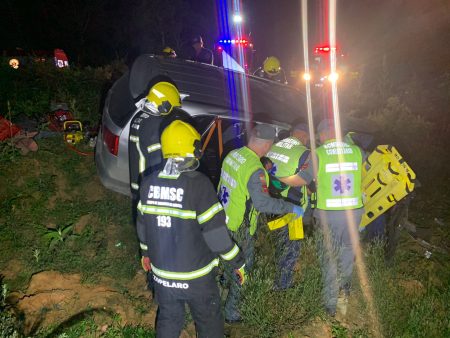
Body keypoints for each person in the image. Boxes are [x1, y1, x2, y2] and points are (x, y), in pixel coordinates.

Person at [137, 120, 246, 337]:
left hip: (163, 275)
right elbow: (216, 235)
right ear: (193, 149)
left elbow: (142, 225)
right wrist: (238, 261)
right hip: (197, 277)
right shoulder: (199, 185)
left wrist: (146, 253)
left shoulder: (148, 183)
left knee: (169, 317)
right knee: (209, 321)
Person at [218, 124, 304, 322]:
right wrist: (290, 208)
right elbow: (262, 203)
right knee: (242, 270)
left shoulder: (233, 155)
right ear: (267, 145)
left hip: (222, 219)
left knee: (224, 264)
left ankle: (220, 294)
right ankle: (231, 314)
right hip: (240, 228)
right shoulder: (254, 168)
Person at [313, 119, 365, 317]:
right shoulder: (356, 150)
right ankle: (344, 293)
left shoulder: (319, 153)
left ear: (322, 135)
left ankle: (329, 305)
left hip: (330, 215)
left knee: (329, 257)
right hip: (353, 213)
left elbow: (303, 179)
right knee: (346, 253)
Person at [265, 123, 313, 290]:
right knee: (292, 246)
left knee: (281, 242)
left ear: (292, 133)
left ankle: (279, 278)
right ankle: (284, 285)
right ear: (306, 137)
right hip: (293, 207)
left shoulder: (276, 146)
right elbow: (304, 180)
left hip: (272, 201)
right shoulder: (305, 153)